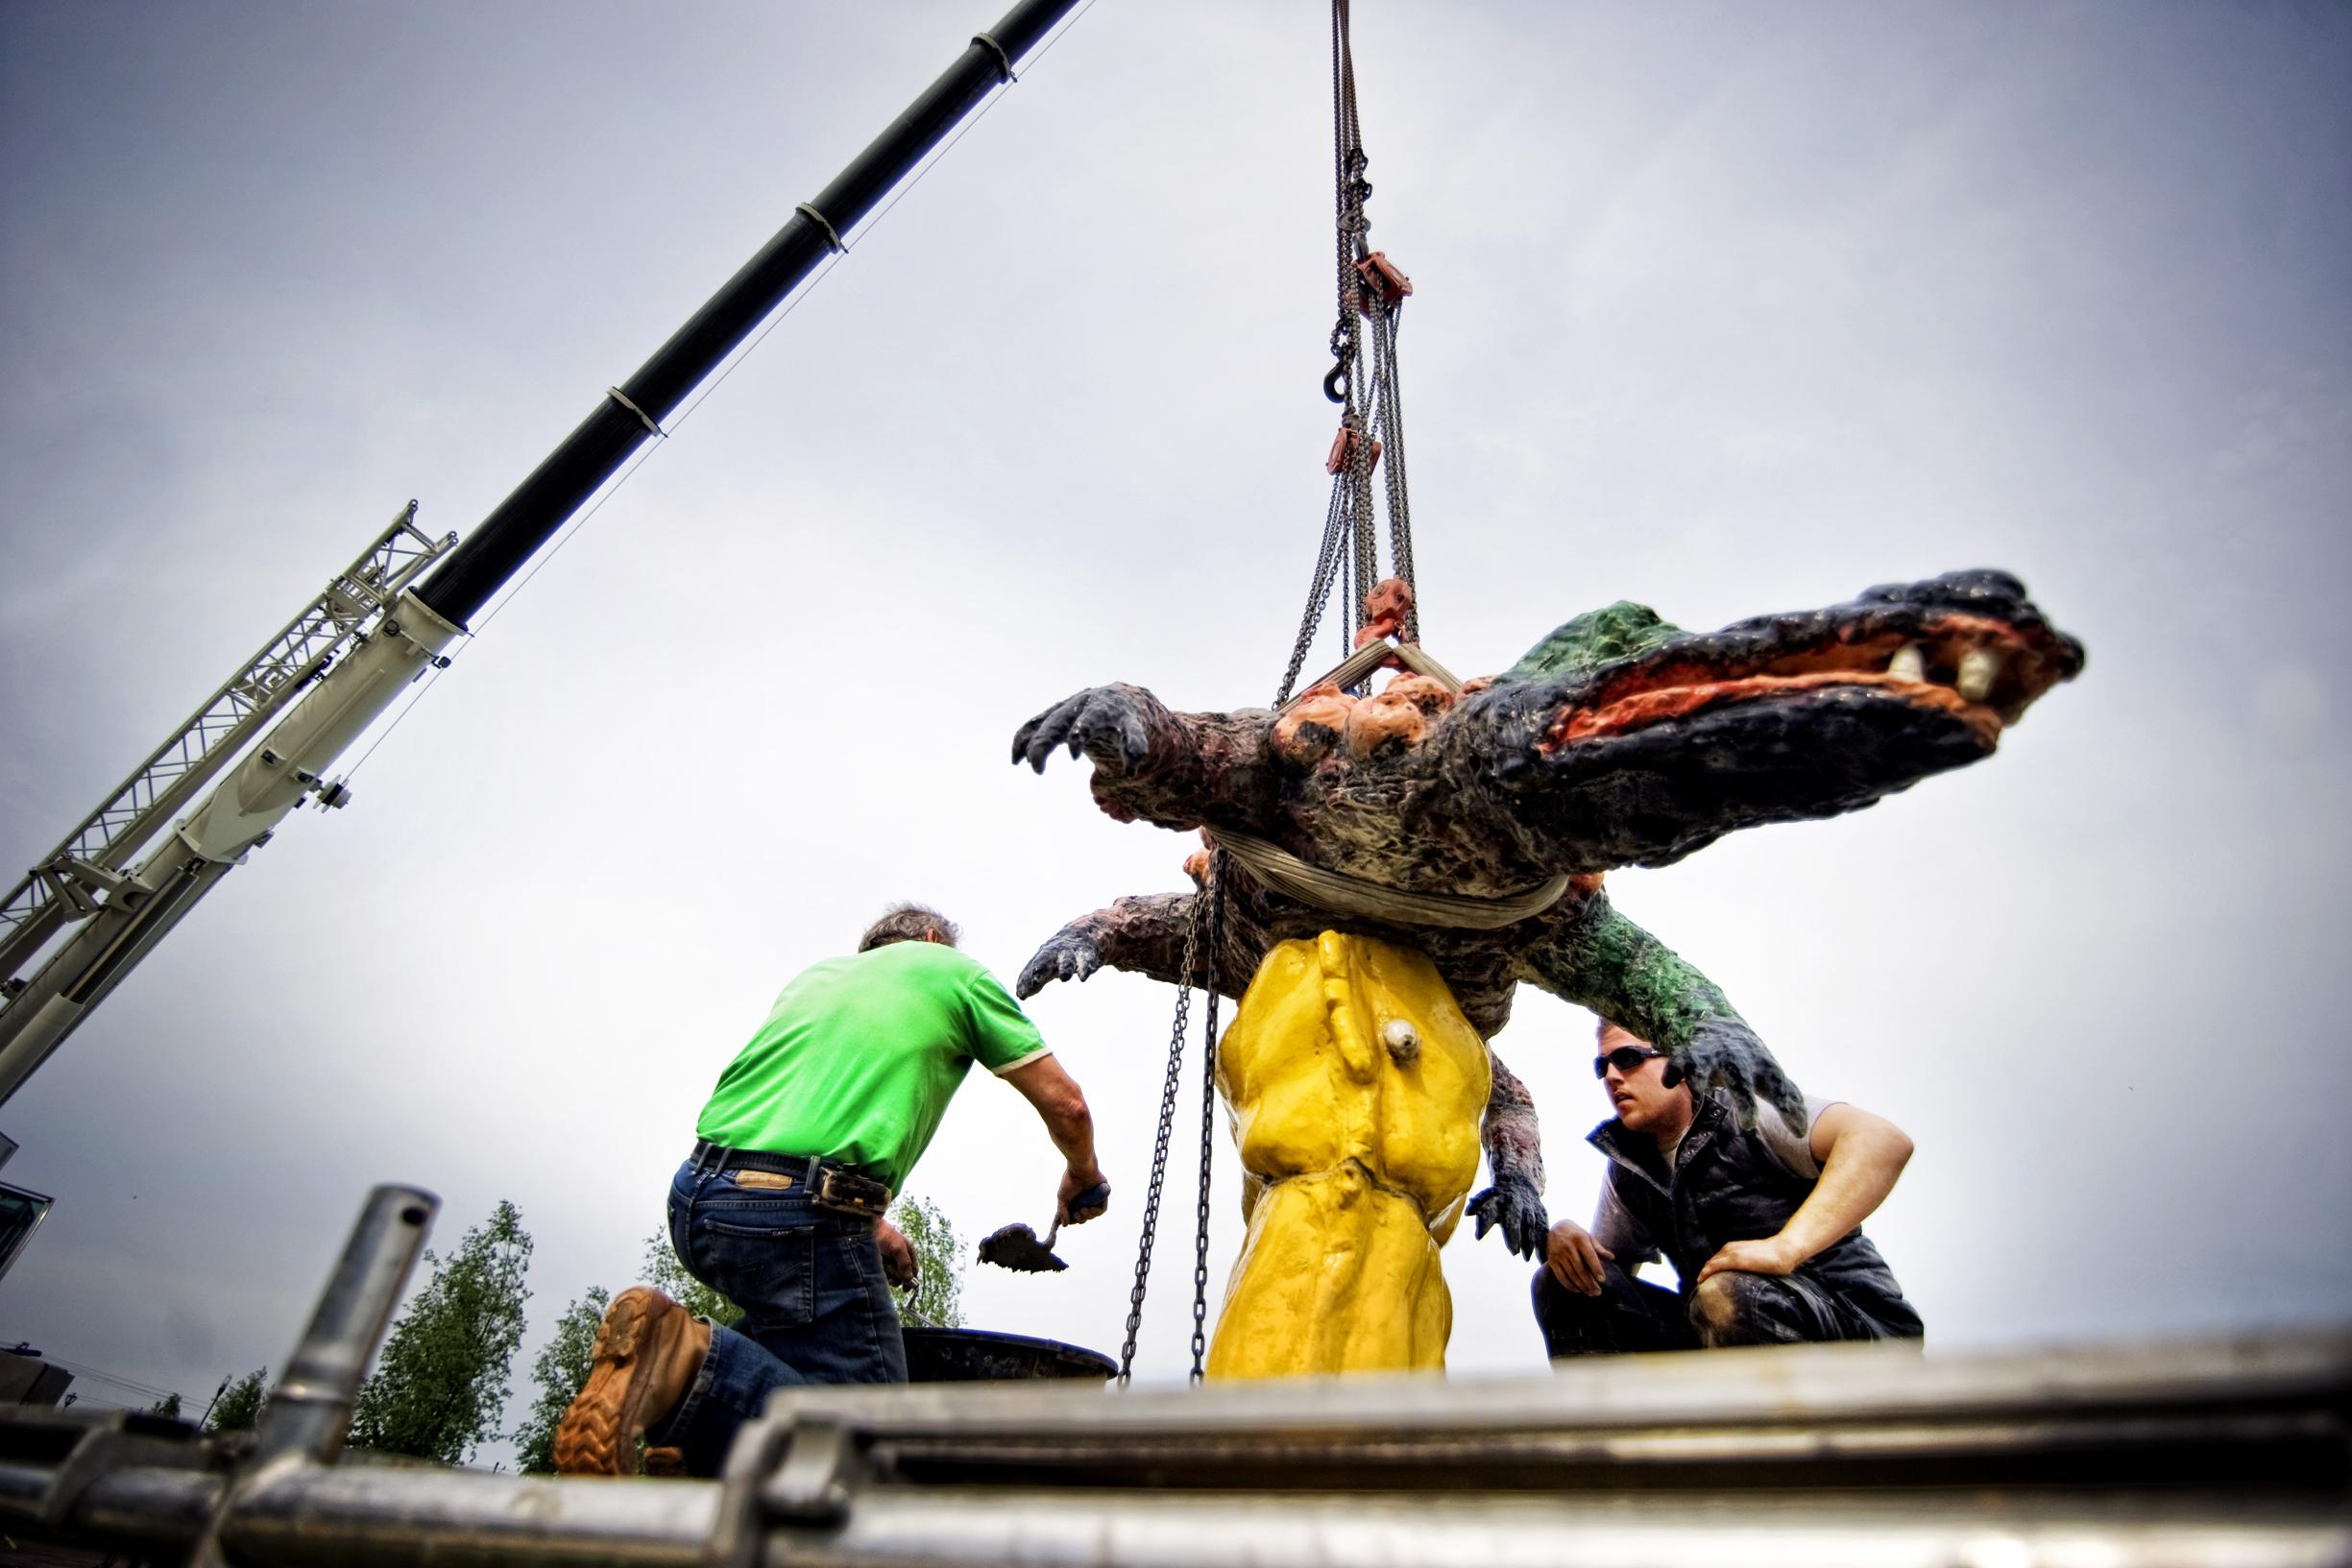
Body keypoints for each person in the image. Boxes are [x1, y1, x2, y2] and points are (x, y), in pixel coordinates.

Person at [555, 903, 1108, 1476]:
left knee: (792, 1340)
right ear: (928, 939)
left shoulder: (815, 980)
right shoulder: (952, 973)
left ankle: (705, 1436)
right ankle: (685, 1370)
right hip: (799, 1210)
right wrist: (1083, 1174)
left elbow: (794, 1124)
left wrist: (870, 1226)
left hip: (698, 1197)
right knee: (872, 1449)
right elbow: (1066, 1105)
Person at [1533, 1017, 1923, 1358]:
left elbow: (1882, 1141)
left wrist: (1785, 1248)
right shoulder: (1631, 1164)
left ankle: (1775, 1439)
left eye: (1629, 1058)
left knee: (1726, 1295)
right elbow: (1606, 1280)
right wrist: (1568, 1242)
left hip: (1859, 1331)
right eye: (1603, 1066)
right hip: (1722, 1335)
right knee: (1564, 1284)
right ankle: (1617, 1439)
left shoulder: (1748, 1113)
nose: (1613, 1077)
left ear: (1679, 1062)